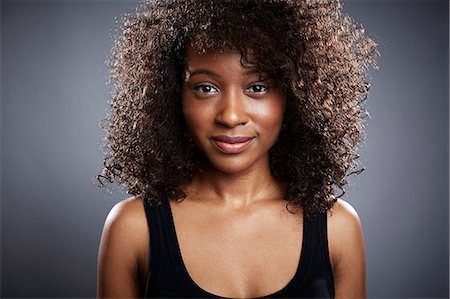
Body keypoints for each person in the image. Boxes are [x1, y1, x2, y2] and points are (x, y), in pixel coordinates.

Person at [96, 0, 377, 298]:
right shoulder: (134, 228)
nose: (230, 116)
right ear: (173, 95)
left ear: (294, 96)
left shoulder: (337, 228)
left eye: (257, 87)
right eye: (206, 88)